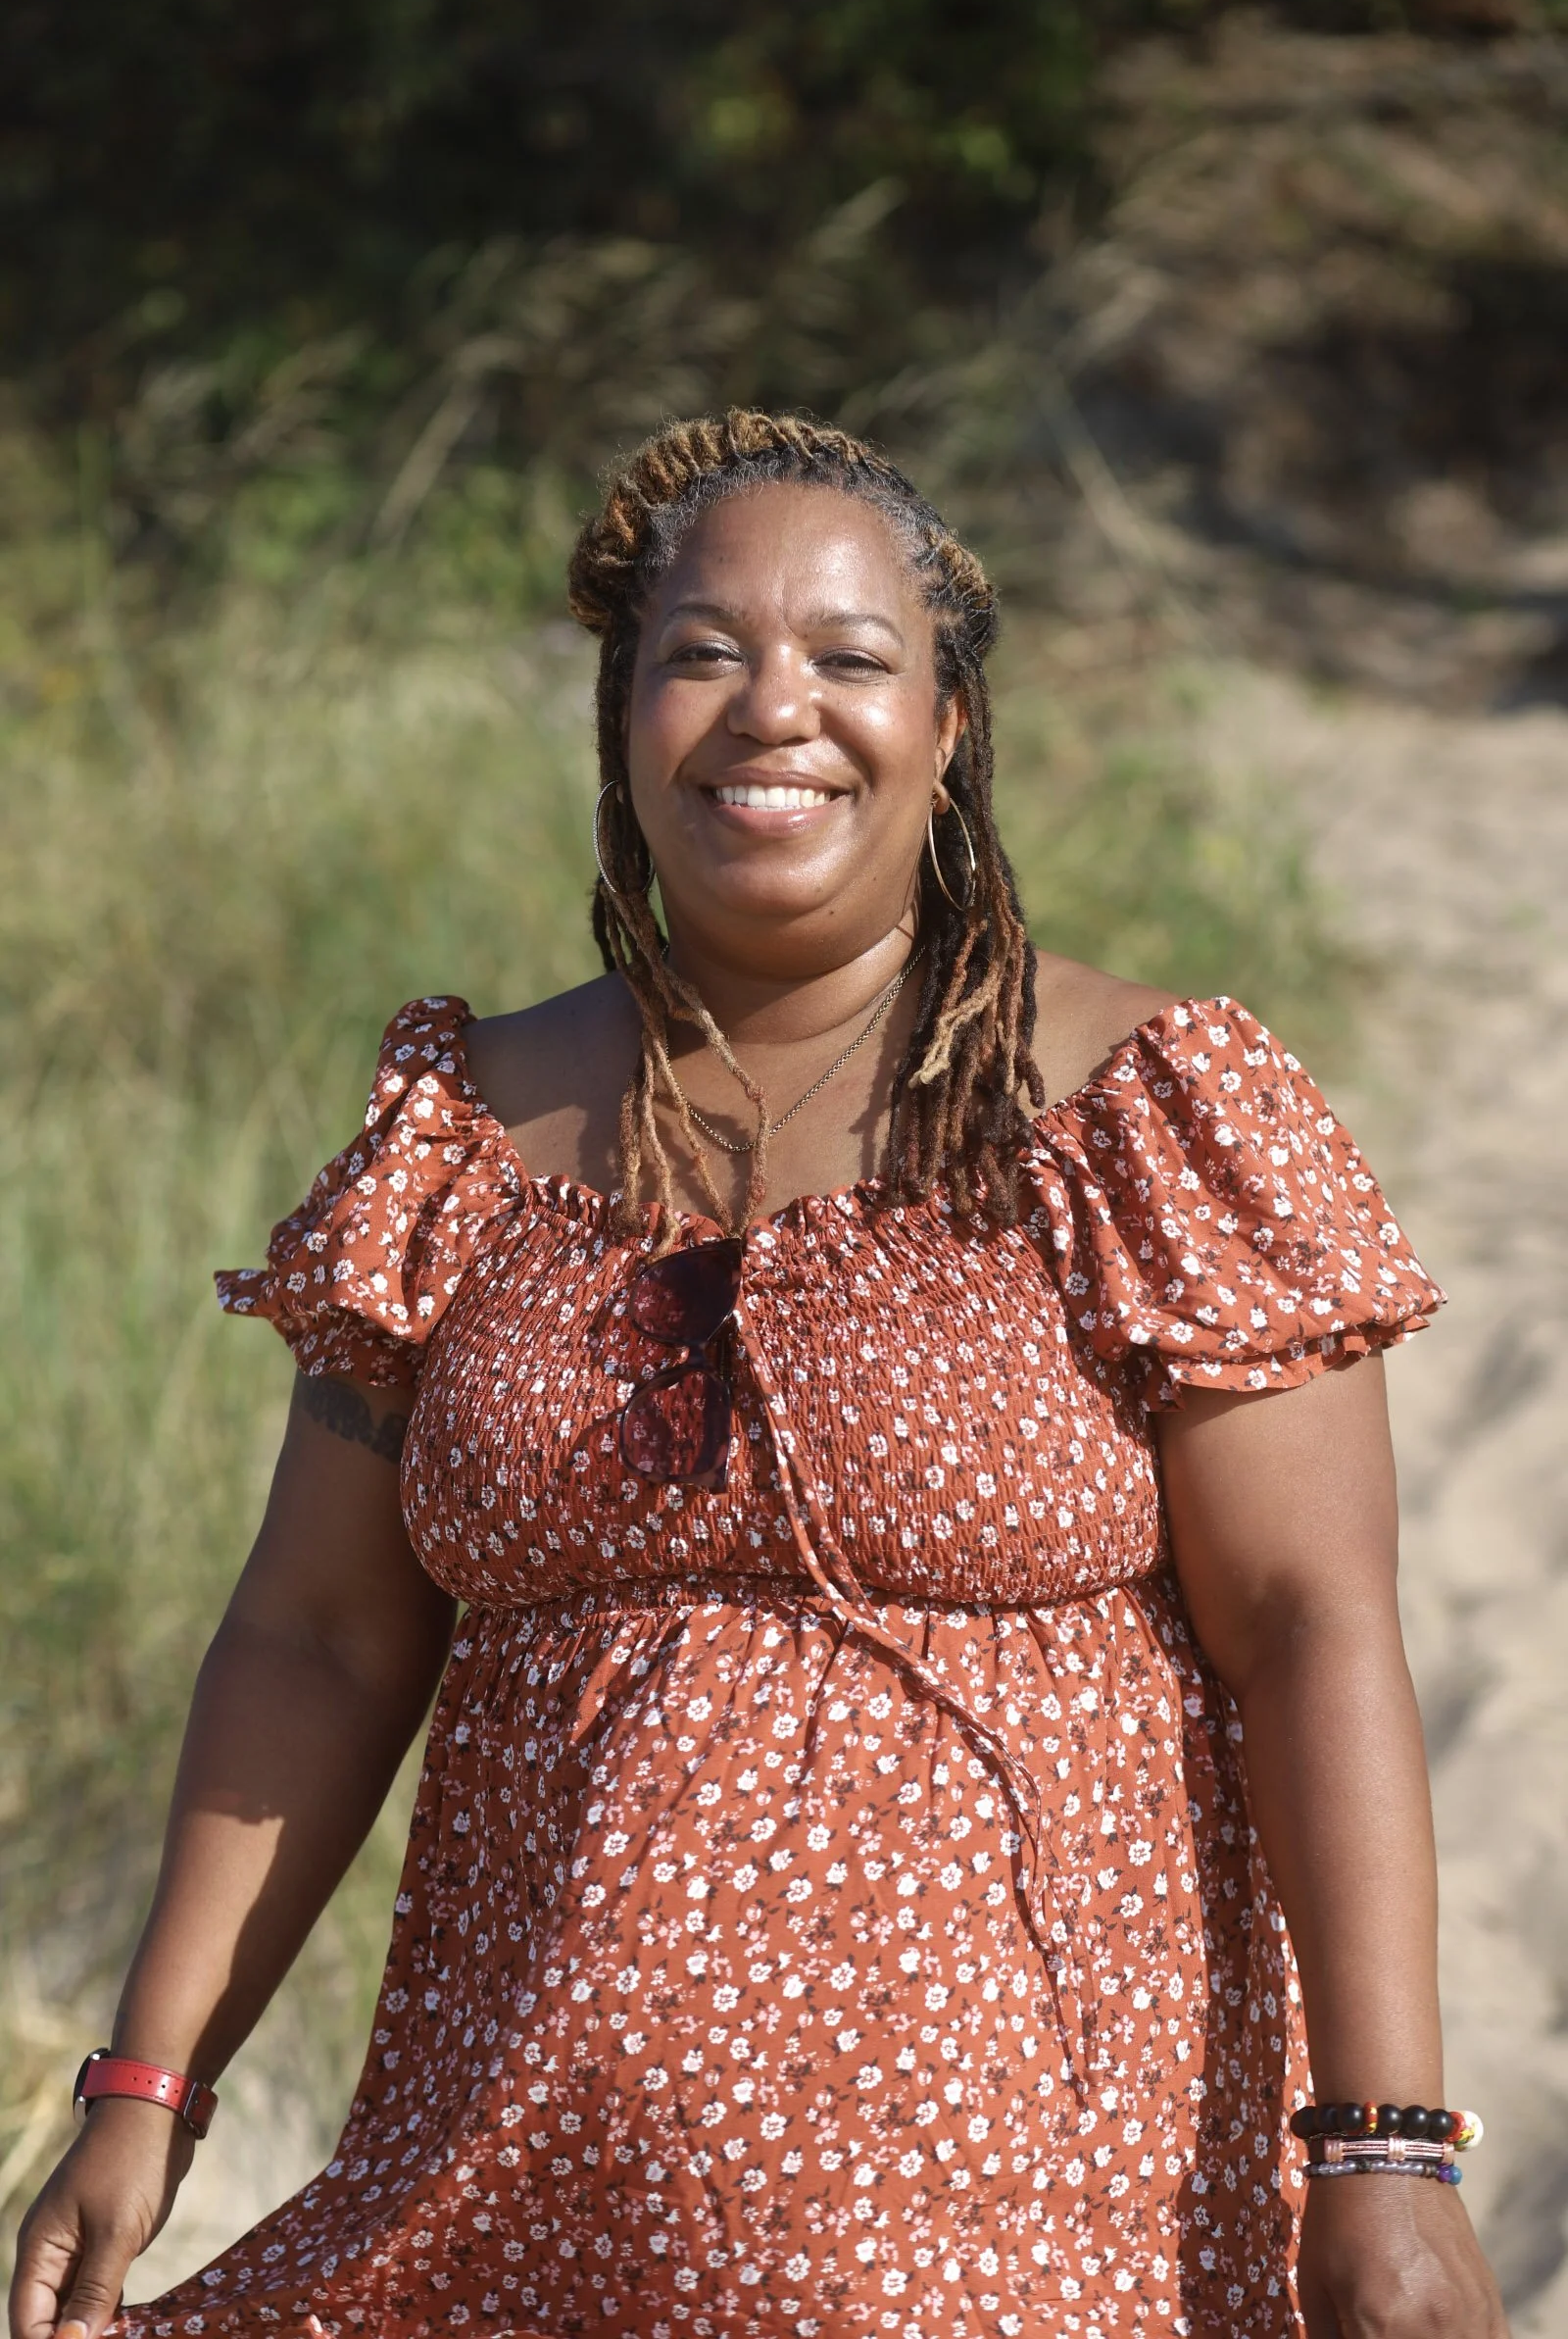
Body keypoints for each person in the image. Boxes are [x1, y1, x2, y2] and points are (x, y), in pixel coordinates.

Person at [11, 410, 1506, 2339]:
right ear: (620, 714)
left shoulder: (1143, 1113)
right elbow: (315, 1642)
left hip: (1032, 2220)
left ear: (949, 727)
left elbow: (1311, 1626)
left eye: (847, 657)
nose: (767, 709)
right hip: (521, 2207)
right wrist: (147, 2088)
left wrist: (1382, 2154)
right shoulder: (462, 1132)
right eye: (701, 653)